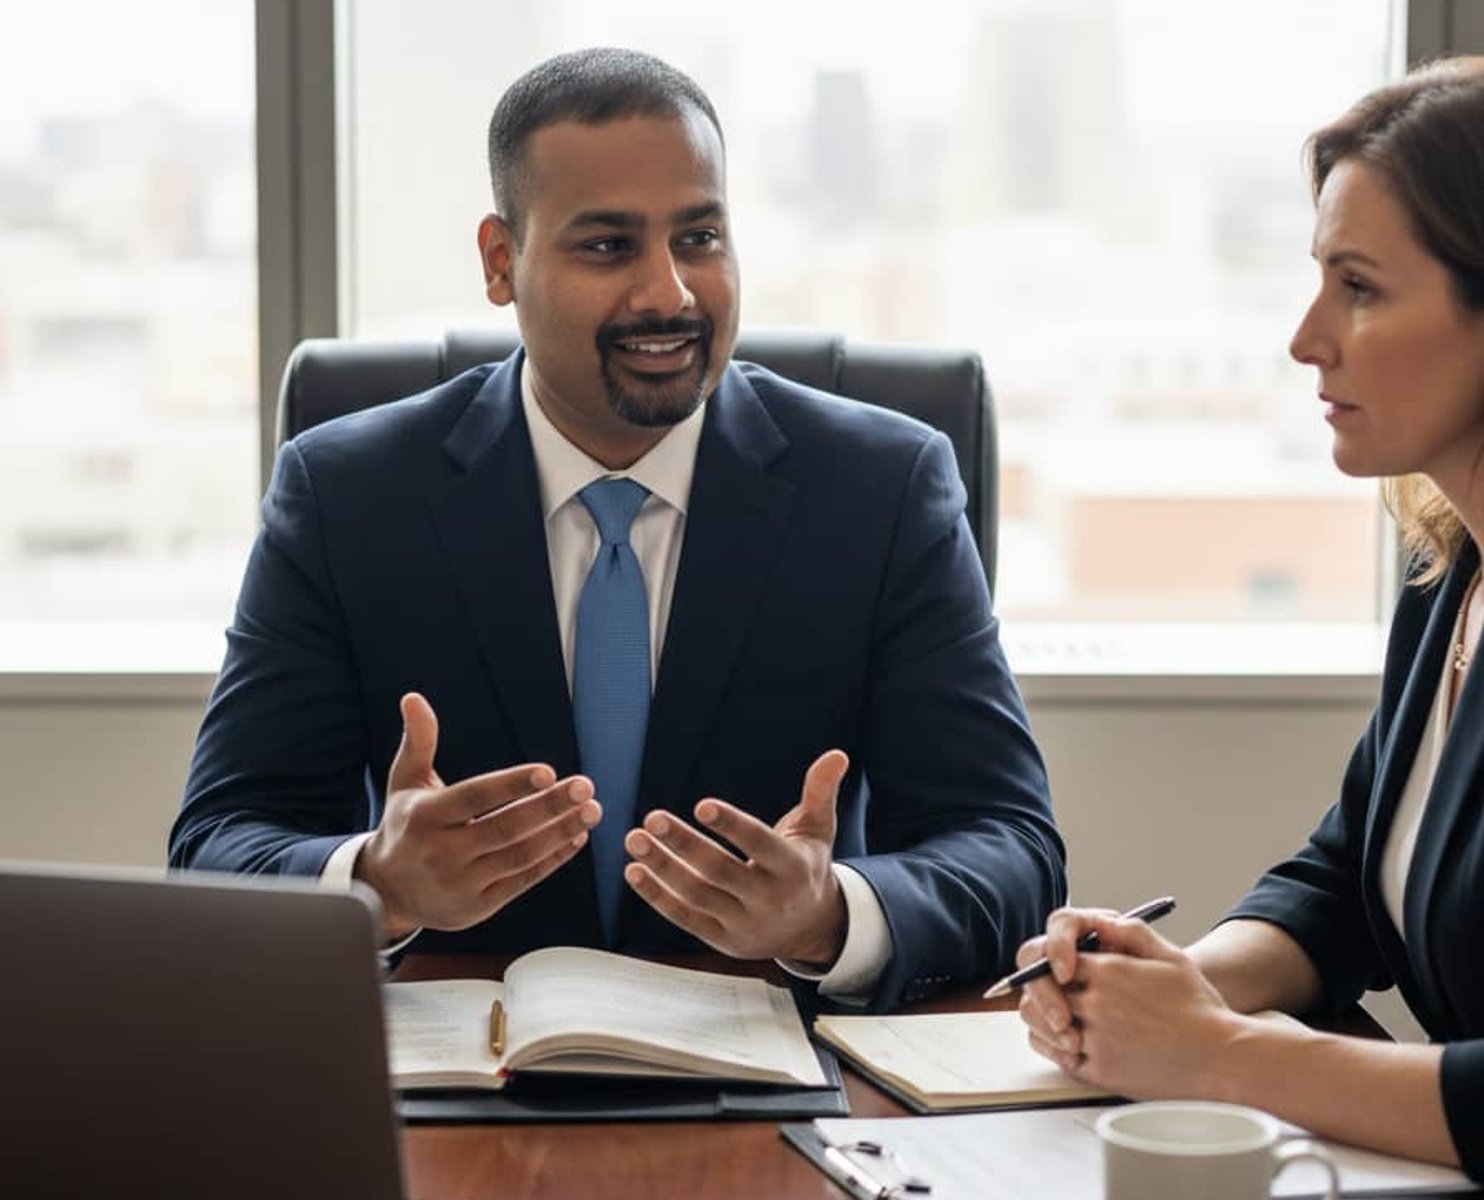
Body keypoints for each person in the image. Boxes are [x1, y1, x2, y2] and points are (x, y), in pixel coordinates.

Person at [169, 47, 1064, 1010]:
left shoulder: (882, 488)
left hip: (785, 1091)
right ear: (501, 262)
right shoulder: (345, 494)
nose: (670, 294)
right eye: (608, 246)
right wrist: (376, 883)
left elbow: (1010, 845)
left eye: (700, 238)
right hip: (463, 1083)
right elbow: (220, 841)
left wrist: (831, 912)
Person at [1015, 57, 1484, 1176]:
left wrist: (1215, 1054)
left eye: (1358, 288)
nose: (1303, 337)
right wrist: (1162, 984)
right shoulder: (1449, 570)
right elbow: (1345, 885)